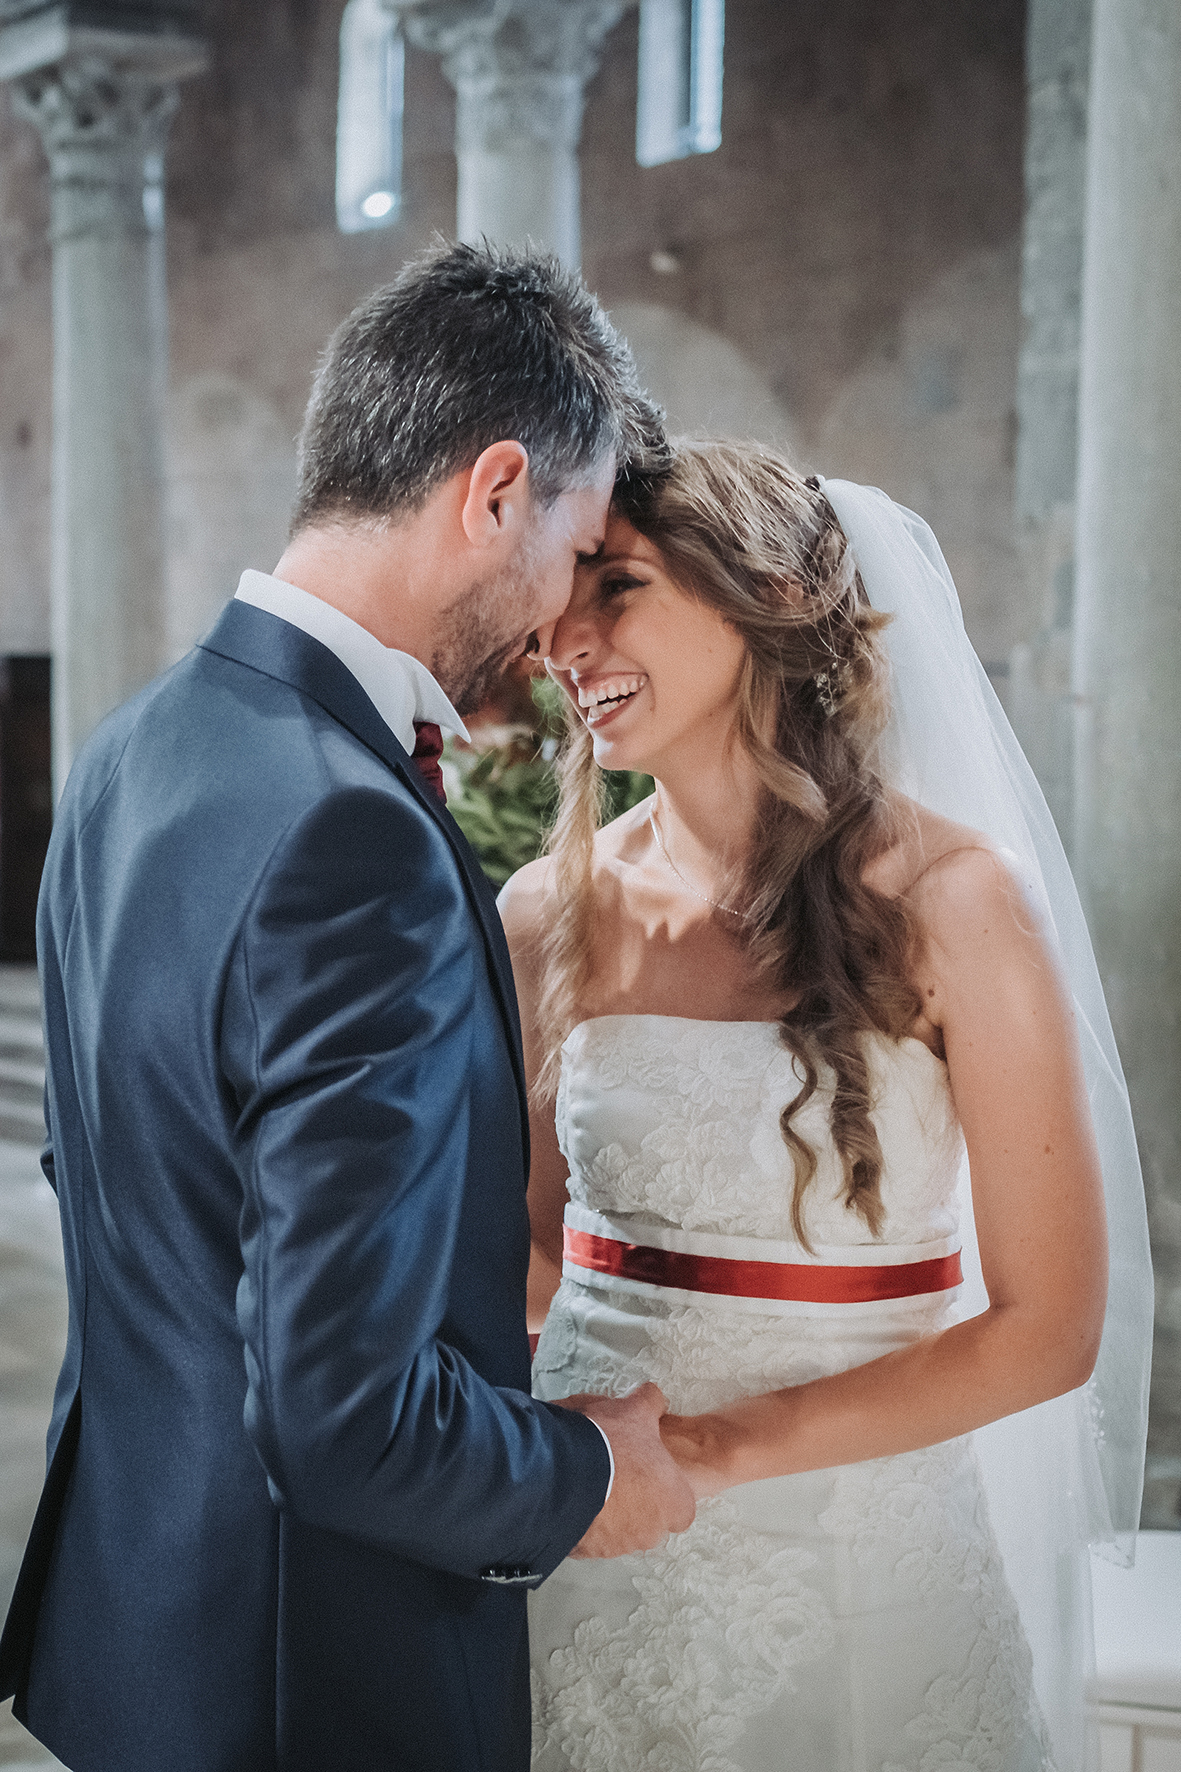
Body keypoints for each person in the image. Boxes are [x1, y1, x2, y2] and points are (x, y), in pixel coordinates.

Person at [0, 243, 697, 1772]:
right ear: (496, 488)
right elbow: (341, 1414)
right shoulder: (349, 827)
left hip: (140, 1642)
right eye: (579, 547)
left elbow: (139, 1207)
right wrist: (585, 1476)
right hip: (312, 1683)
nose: (566, 616)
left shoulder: (133, 749)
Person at [500, 441, 1153, 1771]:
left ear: (764, 601)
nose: (561, 638)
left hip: (865, 1541)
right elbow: (524, 1247)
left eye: (613, 588)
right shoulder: (541, 911)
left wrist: (719, 1452)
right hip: (595, 1529)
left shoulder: (955, 902)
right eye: (563, 594)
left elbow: (1048, 1329)